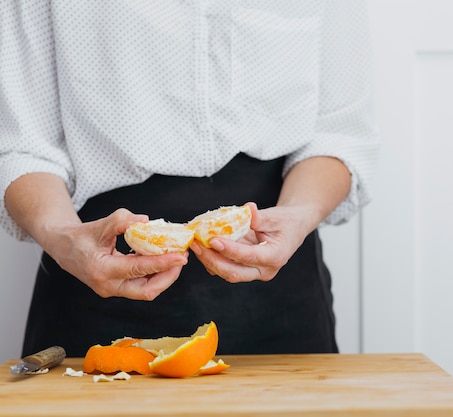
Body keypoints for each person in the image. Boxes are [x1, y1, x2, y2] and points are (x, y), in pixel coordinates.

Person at [0, 1, 379, 357]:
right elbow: (20, 145)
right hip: (93, 276)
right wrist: (62, 236)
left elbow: (338, 132)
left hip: (281, 285)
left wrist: (299, 213)